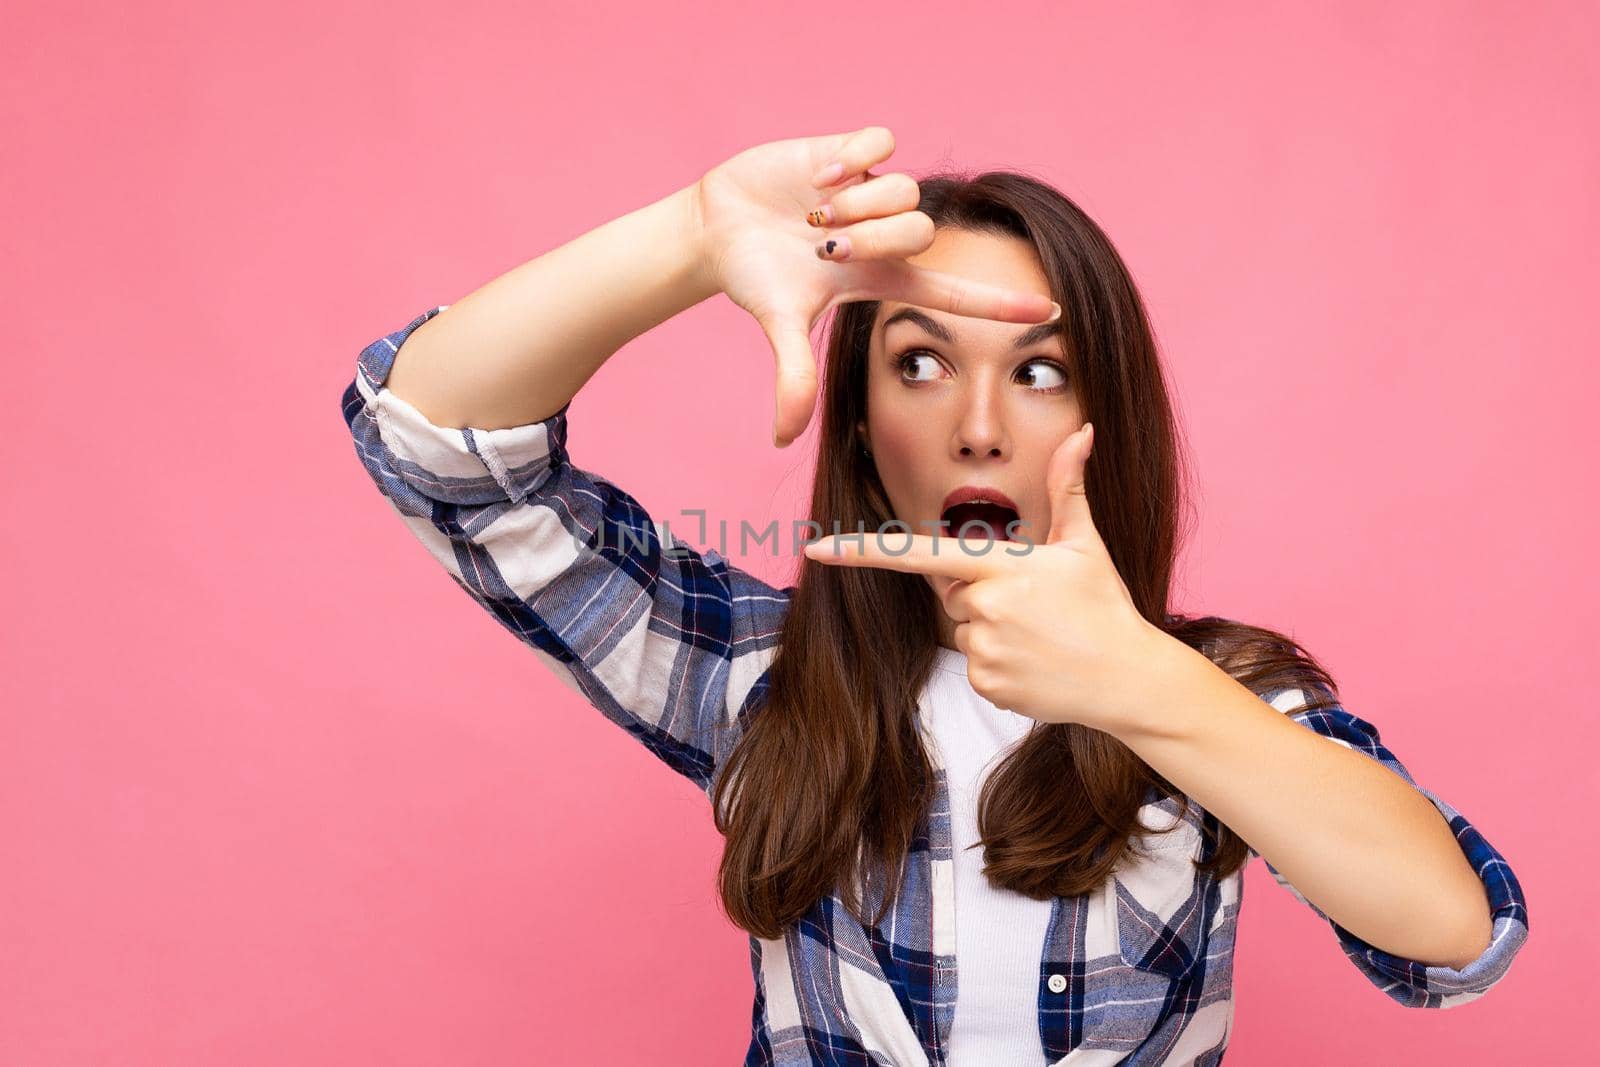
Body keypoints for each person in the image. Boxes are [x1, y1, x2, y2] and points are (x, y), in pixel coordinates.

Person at [338, 126, 1529, 1065]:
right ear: (861, 416)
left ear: (1101, 417)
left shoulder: (1221, 696)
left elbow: (1458, 939)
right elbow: (435, 446)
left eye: (1040, 372)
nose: (976, 425)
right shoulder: (751, 678)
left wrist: (1149, 685)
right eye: (920, 361)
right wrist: (691, 238)